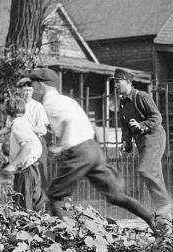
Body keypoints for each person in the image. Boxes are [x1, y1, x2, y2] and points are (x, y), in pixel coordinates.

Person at [29, 67, 157, 231]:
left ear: (41, 85)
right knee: (115, 196)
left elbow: (68, 121)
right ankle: (152, 221)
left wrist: (60, 145)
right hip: (93, 149)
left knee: (54, 195)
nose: (33, 90)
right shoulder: (67, 100)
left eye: (34, 85)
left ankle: (67, 239)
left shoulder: (50, 102)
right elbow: (82, 123)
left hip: (78, 152)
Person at [115, 69, 173, 226]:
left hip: (154, 137)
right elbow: (125, 127)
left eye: (118, 82)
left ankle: (164, 204)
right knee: (153, 172)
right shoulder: (123, 103)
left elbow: (157, 117)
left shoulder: (141, 97)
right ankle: (165, 214)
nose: (115, 85)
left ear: (127, 82)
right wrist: (125, 142)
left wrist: (141, 125)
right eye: (114, 82)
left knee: (145, 170)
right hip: (141, 141)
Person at [3, 97, 44, 211]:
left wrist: (13, 165)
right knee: (34, 203)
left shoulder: (17, 124)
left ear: (8, 113)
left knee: (25, 206)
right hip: (31, 166)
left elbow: (26, 146)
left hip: (26, 169)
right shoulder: (23, 123)